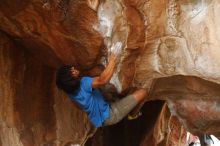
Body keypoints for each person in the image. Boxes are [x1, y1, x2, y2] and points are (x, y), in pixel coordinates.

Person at [56, 42, 147, 128]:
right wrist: (113, 58)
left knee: (108, 90)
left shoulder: (69, 91)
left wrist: (91, 105)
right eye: (72, 72)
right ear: (71, 79)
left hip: (96, 118)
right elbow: (103, 80)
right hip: (109, 115)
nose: (74, 69)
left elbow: (78, 105)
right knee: (143, 92)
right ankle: (133, 115)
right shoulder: (84, 83)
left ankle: (116, 101)